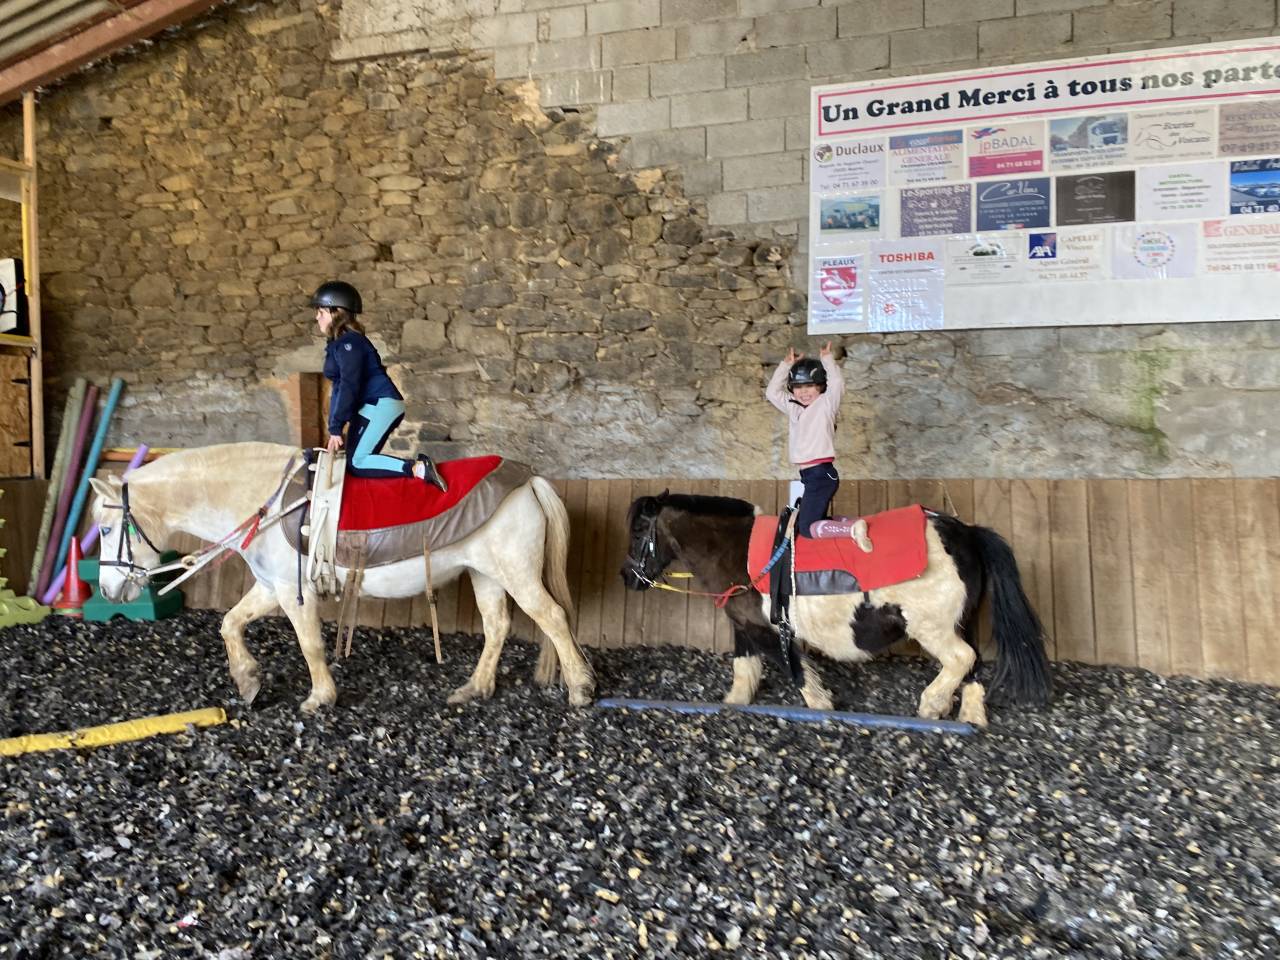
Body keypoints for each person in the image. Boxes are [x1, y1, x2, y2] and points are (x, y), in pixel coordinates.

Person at [312, 280, 447, 491]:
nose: (317, 317)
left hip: (380, 404)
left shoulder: (351, 343)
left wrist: (336, 427)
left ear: (336, 312)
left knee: (358, 462)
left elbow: (349, 384)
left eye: (321, 312)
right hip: (371, 406)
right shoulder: (340, 344)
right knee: (353, 463)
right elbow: (340, 386)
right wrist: (334, 426)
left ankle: (418, 469)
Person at [766, 342, 870, 548]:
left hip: (821, 474)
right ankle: (853, 525)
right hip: (810, 475)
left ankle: (852, 530)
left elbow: (838, 383)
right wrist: (785, 365)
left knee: (806, 528)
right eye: (798, 387)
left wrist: (827, 360)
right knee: (814, 521)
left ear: (821, 386)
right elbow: (772, 393)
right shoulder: (793, 407)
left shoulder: (826, 404)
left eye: (809, 386)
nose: (803, 392)